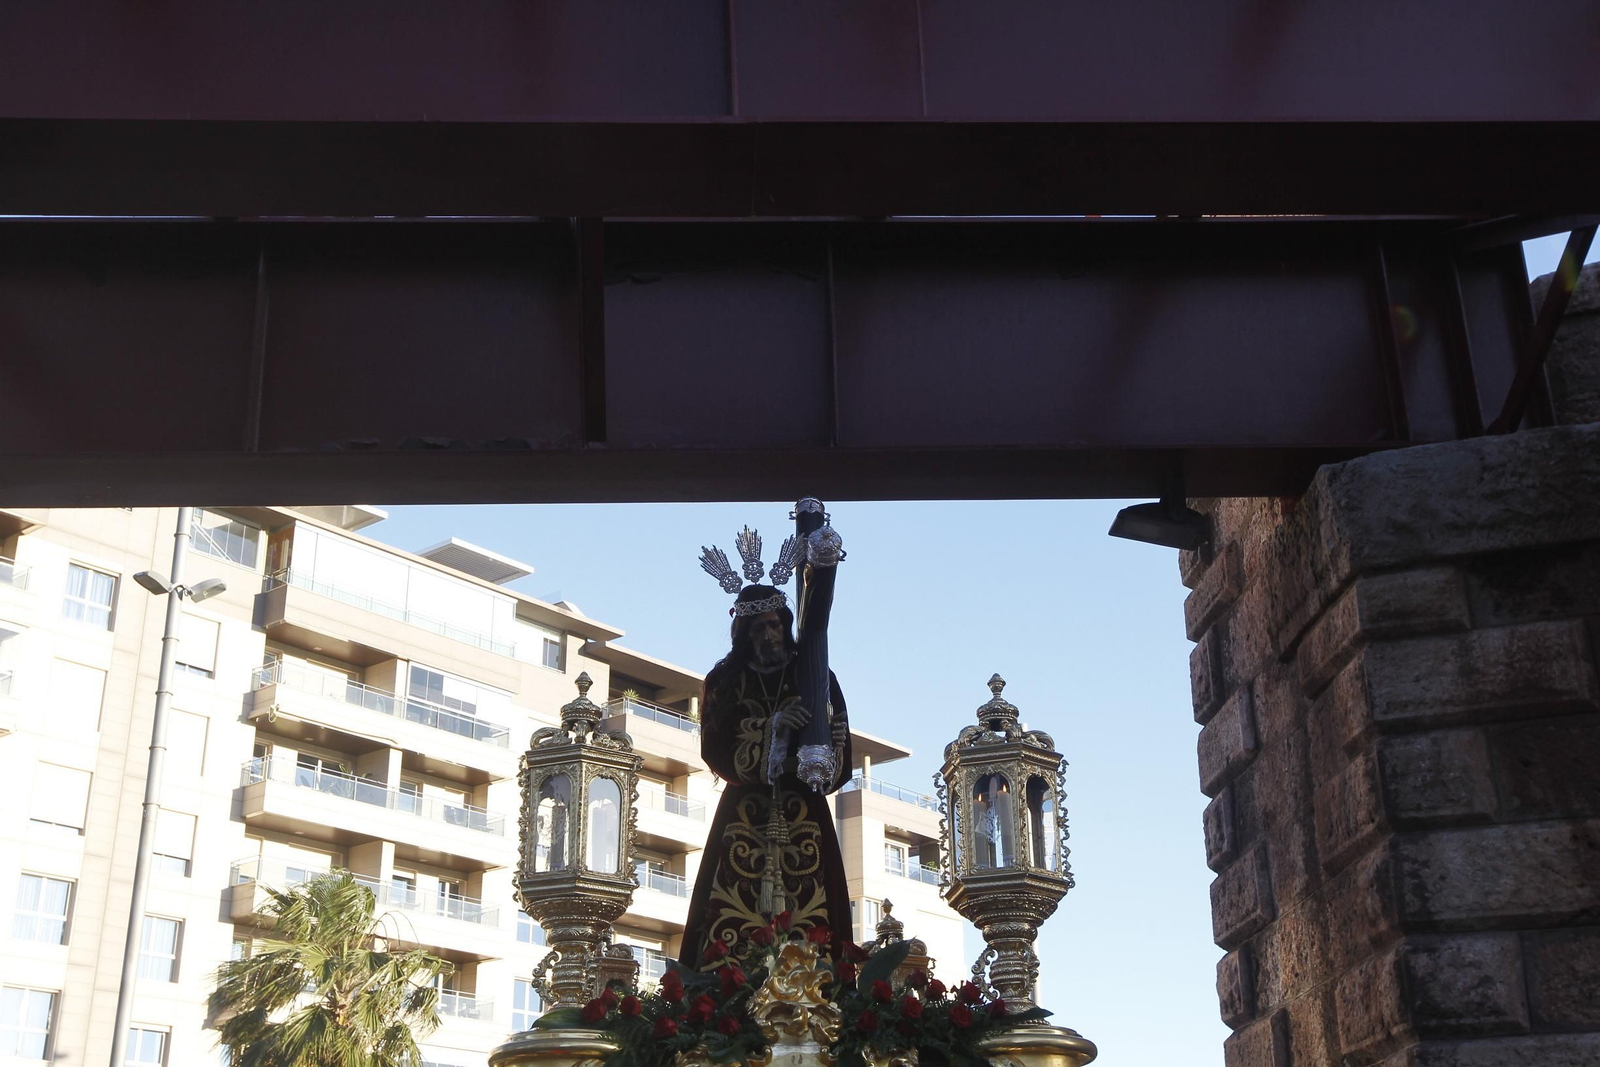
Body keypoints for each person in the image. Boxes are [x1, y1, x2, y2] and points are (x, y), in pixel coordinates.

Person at [678, 583, 853, 965]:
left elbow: (838, 761)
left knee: (815, 914)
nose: (769, 635)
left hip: (804, 813)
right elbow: (716, 747)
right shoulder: (724, 681)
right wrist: (773, 727)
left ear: (785, 625)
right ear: (744, 635)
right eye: (758, 629)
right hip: (745, 815)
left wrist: (834, 747)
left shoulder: (814, 673)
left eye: (774, 625)